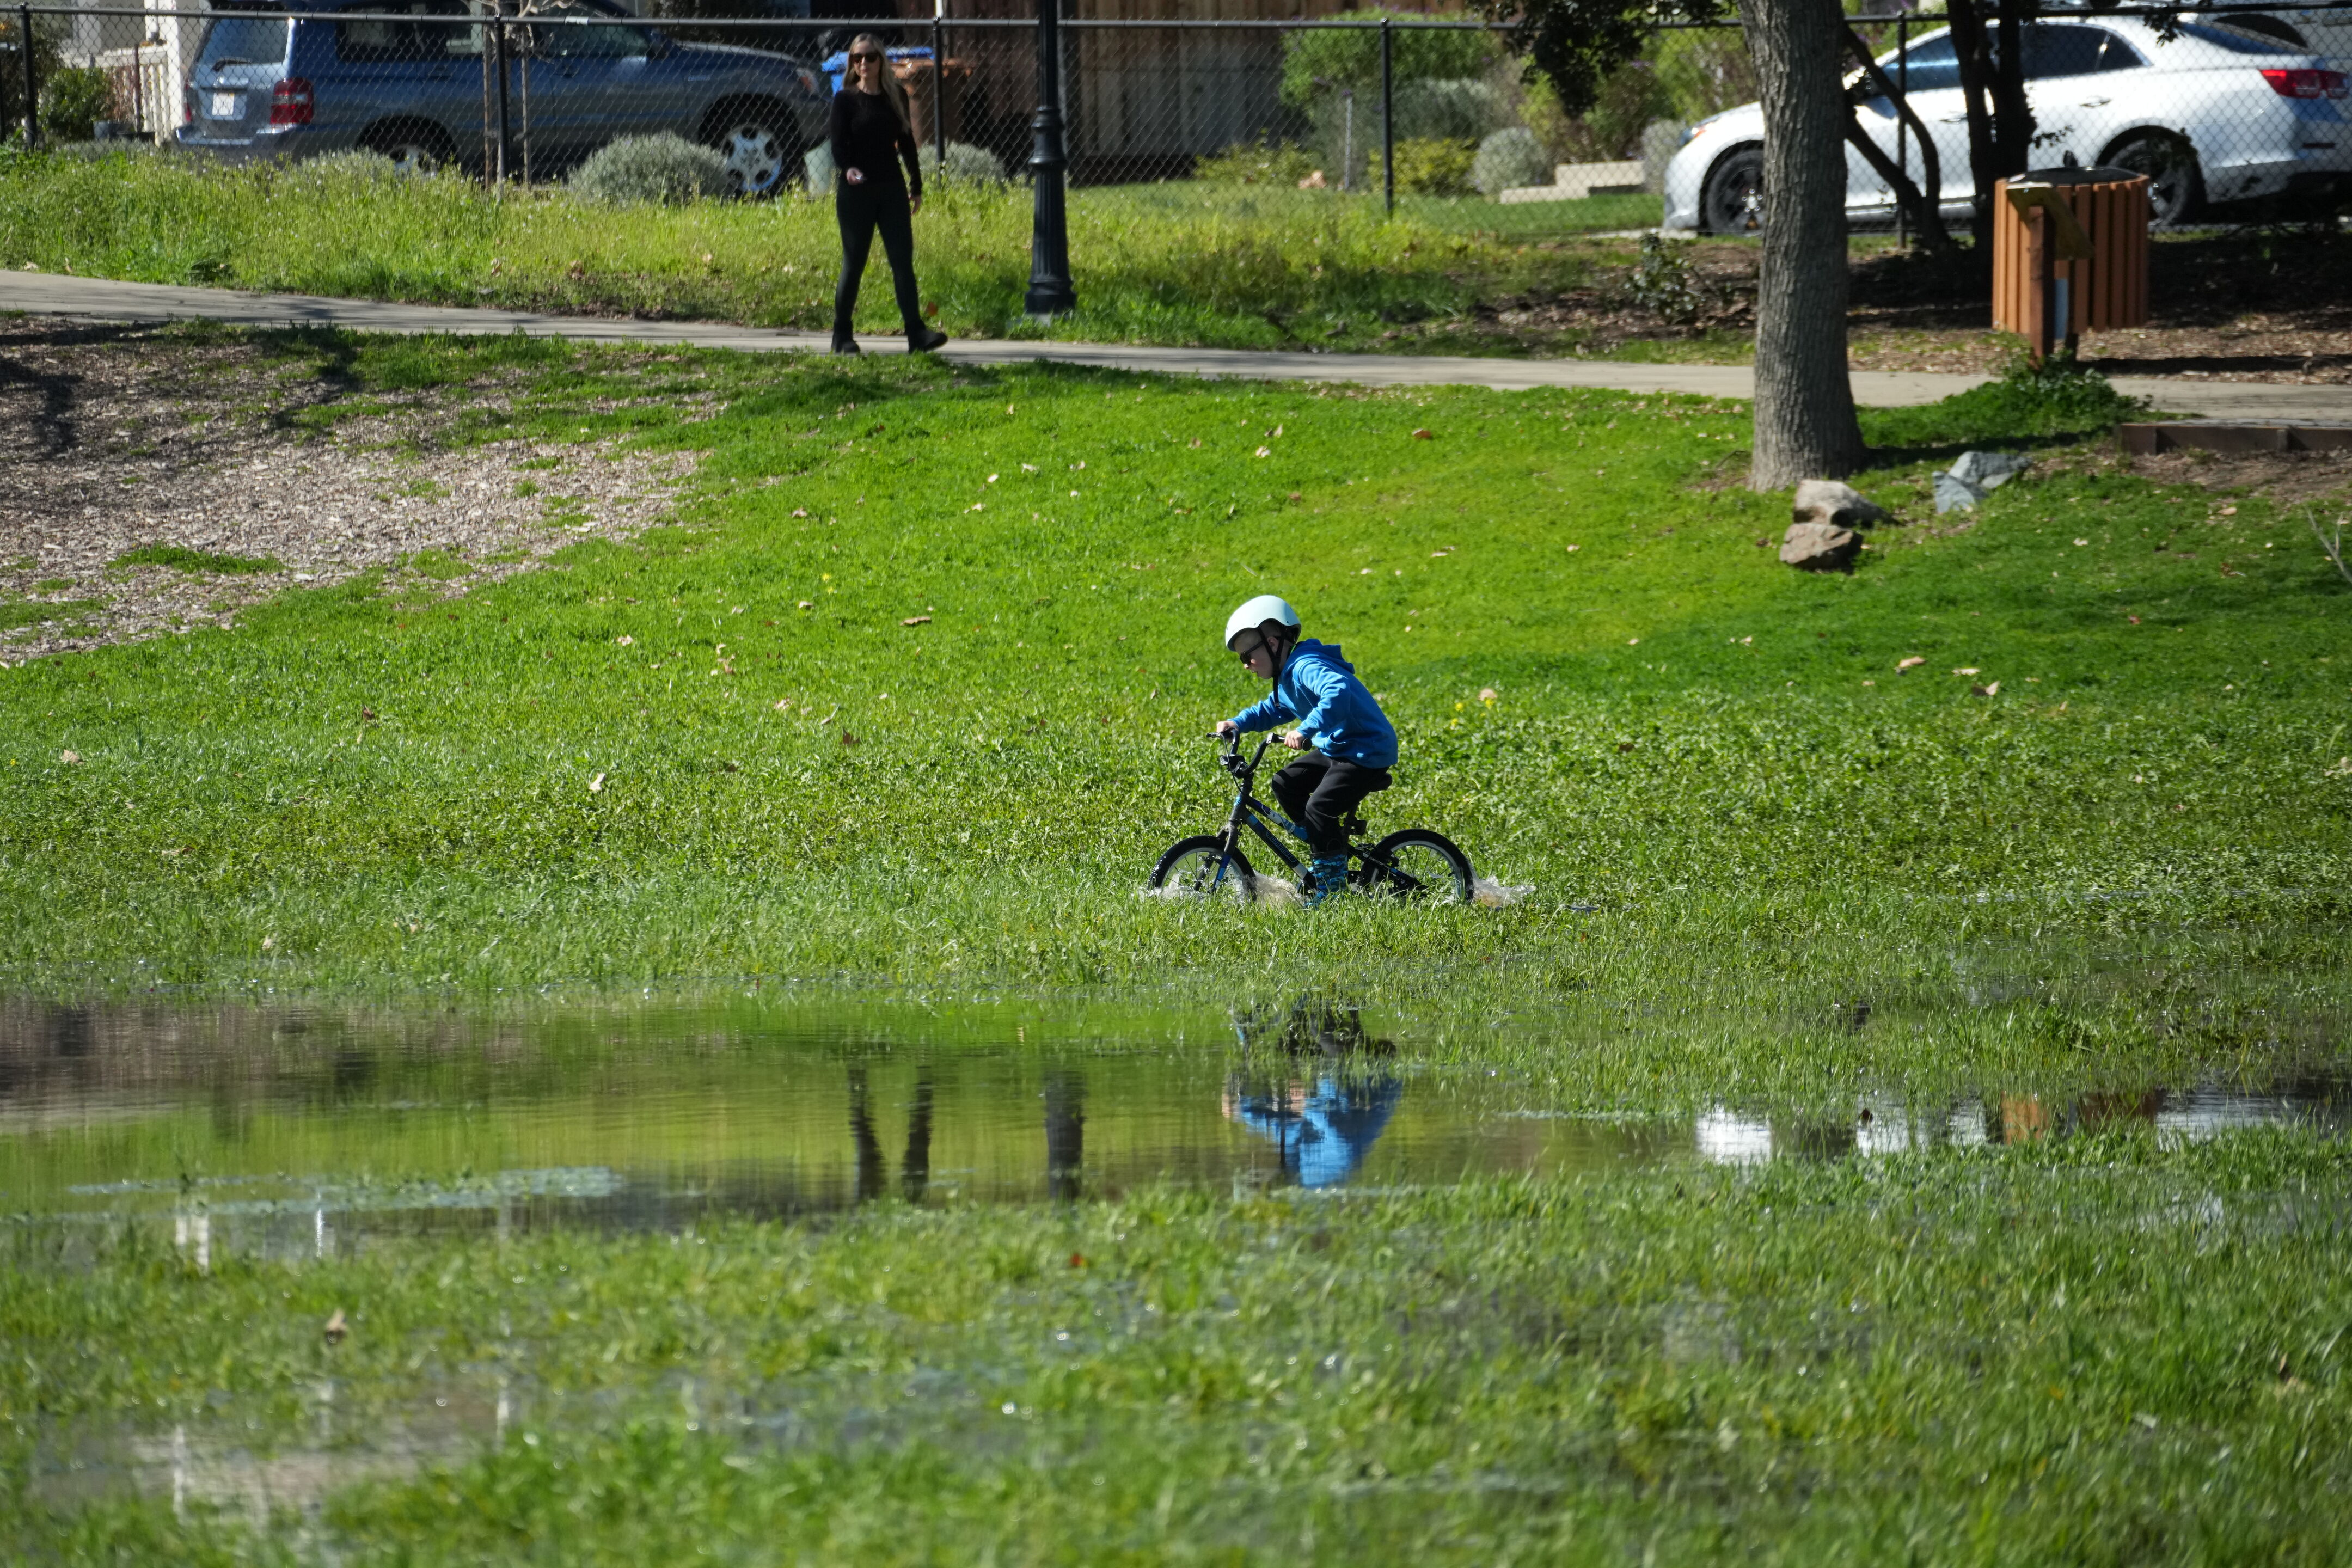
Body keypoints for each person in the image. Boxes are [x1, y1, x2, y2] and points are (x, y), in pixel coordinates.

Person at [1214, 594, 1398, 905]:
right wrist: (1237, 723)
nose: (1246, 665)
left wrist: (1304, 729)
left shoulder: (1306, 666)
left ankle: (1332, 890)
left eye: (1247, 656)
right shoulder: (1287, 678)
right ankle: (1327, 846)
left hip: (1365, 751)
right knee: (1285, 783)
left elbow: (1337, 691)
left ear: (1272, 644)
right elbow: (1273, 709)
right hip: (1339, 747)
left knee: (1318, 809)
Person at [826, 35, 948, 357]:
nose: (863, 64)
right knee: (854, 263)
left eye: (869, 58)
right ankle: (842, 336)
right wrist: (848, 168)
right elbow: (837, 146)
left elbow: (907, 143)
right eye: (856, 59)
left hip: (892, 190)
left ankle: (916, 334)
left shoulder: (896, 98)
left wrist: (916, 185)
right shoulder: (845, 101)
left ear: (881, 60)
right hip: (857, 194)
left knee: (902, 262)